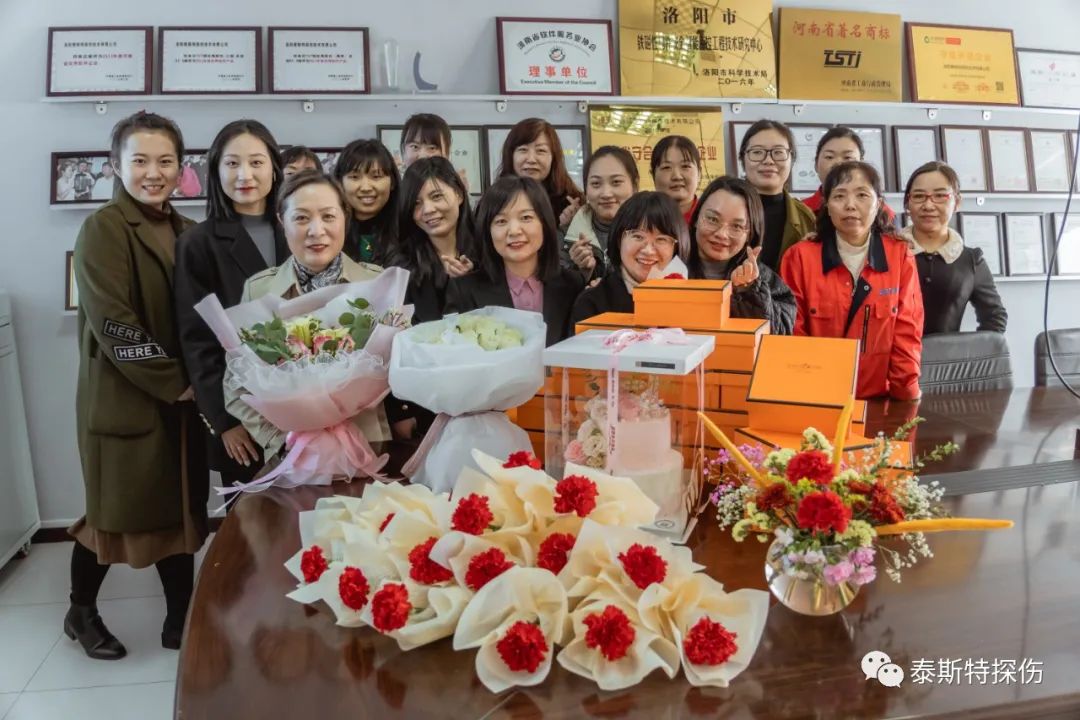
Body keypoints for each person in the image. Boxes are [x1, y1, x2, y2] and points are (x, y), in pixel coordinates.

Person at [67, 111, 208, 660]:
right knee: (113, 516)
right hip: (127, 400)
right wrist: (176, 381)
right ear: (115, 165)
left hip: (182, 400)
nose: (154, 172)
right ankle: (80, 612)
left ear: (181, 167)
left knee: (180, 511)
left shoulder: (188, 231)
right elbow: (114, 324)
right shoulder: (103, 229)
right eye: (141, 160)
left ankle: (180, 618)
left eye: (166, 161)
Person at [224, 170, 390, 461]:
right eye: (301, 218)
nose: (316, 230)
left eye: (328, 216)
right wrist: (281, 441)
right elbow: (237, 383)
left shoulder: (378, 285)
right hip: (292, 455)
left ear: (344, 218)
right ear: (281, 221)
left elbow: (398, 370)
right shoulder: (259, 290)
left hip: (366, 448)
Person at [175, 119, 289, 495]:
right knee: (253, 520)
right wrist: (225, 422)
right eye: (232, 163)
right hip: (242, 414)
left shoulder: (299, 228)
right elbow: (197, 341)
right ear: (216, 170)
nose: (245, 175)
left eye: (256, 162)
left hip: (309, 407)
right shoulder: (197, 243)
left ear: (274, 168)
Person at [780, 161, 923, 400]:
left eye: (862, 195)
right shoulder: (800, 257)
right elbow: (795, 335)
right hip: (818, 398)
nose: (850, 205)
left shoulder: (899, 256)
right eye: (839, 196)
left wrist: (906, 394)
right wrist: (807, 396)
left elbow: (907, 332)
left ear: (879, 203)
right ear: (826, 205)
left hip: (879, 399)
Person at [385, 157, 476, 439]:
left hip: (482, 396)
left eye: (436, 196)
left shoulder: (487, 251)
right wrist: (400, 410)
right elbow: (391, 343)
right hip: (424, 404)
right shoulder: (401, 266)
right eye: (416, 203)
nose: (428, 210)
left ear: (458, 194)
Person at [446, 175, 584, 346]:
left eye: (526, 217)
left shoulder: (572, 285)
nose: (514, 230)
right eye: (501, 221)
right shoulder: (464, 291)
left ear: (544, 223)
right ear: (488, 231)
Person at [899, 161, 1007, 334]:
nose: (928, 205)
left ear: (957, 202)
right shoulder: (886, 253)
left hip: (949, 352)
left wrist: (969, 350)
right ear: (907, 204)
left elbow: (995, 317)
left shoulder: (971, 260)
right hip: (891, 352)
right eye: (919, 196)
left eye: (940, 195)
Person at [687, 176, 796, 334]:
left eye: (737, 226)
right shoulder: (670, 267)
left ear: (750, 235)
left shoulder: (764, 280)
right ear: (696, 218)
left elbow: (780, 334)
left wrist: (748, 292)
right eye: (712, 219)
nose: (722, 234)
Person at [570, 191, 689, 325]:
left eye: (661, 239)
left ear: (676, 246)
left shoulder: (693, 298)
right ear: (619, 240)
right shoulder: (591, 304)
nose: (648, 250)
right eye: (638, 236)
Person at [738, 119, 816, 272]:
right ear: (743, 158)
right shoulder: (725, 209)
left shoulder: (806, 217)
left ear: (791, 159)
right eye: (757, 152)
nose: (768, 161)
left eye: (778, 152)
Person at [562, 145, 639, 281]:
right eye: (596, 184)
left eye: (616, 182)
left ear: (635, 185)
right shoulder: (566, 236)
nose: (606, 193)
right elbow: (557, 290)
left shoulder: (655, 232)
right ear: (586, 189)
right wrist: (581, 273)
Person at [497, 118, 584, 230]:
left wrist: (569, 227)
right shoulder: (495, 199)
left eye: (541, 151)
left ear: (554, 158)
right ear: (510, 156)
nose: (531, 159)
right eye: (523, 150)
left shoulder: (571, 203)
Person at [802, 126, 895, 221]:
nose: (838, 163)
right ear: (816, 165)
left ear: (861, 165)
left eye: (847, 157)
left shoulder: (883, 214)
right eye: (829, 157)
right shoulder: (801, 211)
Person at [333, 139, 398, 265]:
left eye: (376, 176)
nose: (366, 187)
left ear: (392, 182)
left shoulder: (409, 231)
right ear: (340, 182)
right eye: (354, 177)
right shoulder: (329, 231)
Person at [651, 135, 702, 224]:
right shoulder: (642, 219)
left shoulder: (710, 217)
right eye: (666, 167)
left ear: (699, 174)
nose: (677, 176)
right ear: (653, 175)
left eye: (685, 166)